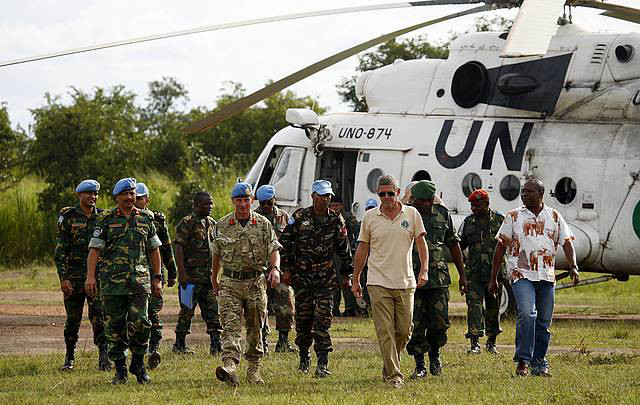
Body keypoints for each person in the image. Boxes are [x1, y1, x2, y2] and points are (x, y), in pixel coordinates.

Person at [489, 179, 579, 377]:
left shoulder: (554, 216)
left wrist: (574, 266)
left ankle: (539, 363)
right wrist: (493, 278)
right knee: (528, 315)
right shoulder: (513, 217)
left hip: (546, 275)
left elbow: (566, 242)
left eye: (529, 191)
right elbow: (500, 247)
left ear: (541, 193)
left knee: (543, 322)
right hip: (521, 274)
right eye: (523, 191)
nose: (524, 194)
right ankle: (523, 361)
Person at [352, 174, 429, 389]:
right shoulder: (370, 217)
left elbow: (422, 245)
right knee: (384, 330)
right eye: (382, 194)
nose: (386, 197)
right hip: (377, 281)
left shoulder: (411, 214)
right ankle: (395, 375)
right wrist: (356, 278)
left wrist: (424, 270)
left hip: (405, 282)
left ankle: (388, 366)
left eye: (390, 193)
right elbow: (362, 248)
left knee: (404, 331)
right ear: (378, 194)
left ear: (397, 192)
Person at [85, 177, 163, 385]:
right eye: (125, 195)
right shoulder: (106, 219)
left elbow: (154, 249)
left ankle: (138, 363)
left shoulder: (146, 218)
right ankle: (120, 370)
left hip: (140, 282)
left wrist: (157, 278)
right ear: (116, 198)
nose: (129, 198)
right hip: (112, 284)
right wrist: (90, 277)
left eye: (132, 194)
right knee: (114, 327)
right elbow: (94, 250)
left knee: (142, 323)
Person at [280, 180, 353, 378]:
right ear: (313, 196)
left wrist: (348, 274)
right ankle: (304, 358)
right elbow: (284, 244)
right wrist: (285, 269)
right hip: (302, 278)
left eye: (328, 195)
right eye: (321, 195)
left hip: (326, 279)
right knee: (303, 320)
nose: (325, 199)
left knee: (323, 320)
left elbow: (343, 249)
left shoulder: (336, 220)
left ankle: (322, 363)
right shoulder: (299, 217)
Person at [212, 182, 281, 386]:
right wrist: (214, 279)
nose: (242, 204)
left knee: (255, 327)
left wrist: (275, 269)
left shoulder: (262, 224)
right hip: (230, 283)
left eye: (246, 200)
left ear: (252, 201)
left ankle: (253, 370)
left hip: (255, 283)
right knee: (230, 326)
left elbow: (273, 249)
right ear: (233, 201)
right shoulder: (223, 224)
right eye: (238, 200)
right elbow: (216, 253)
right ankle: (230, 366)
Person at [406, 180, 468, 378]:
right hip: (412, 277)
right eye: (422, 201)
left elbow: (453, 244)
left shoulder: (442, 214)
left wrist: (463, 275)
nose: (426, 204)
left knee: (439, 322)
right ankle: (419, 364)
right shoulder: (405, 214)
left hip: (438, 278)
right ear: (413, 199)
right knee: (415, 323)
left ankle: (435, 354)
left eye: (429, 200)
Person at [54, 179, 109, 372]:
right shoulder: (68, 216)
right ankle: (69, 357)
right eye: (89, 194)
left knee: (99, 317)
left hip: (96, 277)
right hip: (74, 277)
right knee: (73, 319)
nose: (93, 197)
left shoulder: (103, 217)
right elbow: (60, 252)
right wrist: (64, 279)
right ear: (80, 195)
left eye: (95, 194)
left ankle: (104, 357)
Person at [134, 182, 178, 369]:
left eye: (139, 198)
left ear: (147, 200)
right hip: (131, 275)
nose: (135, 202)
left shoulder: (156, 220)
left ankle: (154, 348)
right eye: (134, 198)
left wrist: (172, 272)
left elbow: (166, 247)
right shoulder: (121, 217)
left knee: (152, 312)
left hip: (153, 275)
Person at [172, 191, 222, 356]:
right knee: (187, 310)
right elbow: (178, 247)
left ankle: (216, 345)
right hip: (190, 278)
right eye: (206, 204)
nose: (210, 207)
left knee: (213, 311)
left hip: (207, 279)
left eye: (211, 203)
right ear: (196, 205)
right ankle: (179, 344)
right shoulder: (187, 223)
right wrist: (182, 272)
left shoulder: (212, 223)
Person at [459, 189, 505, 355]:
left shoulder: (500, 220)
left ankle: (492, 342)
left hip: (495, 274)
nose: (474, 208)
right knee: (474, 307)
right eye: (472, 205)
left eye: (478, 205)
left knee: (493, 308)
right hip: (473, 273)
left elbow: (510, 243)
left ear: (487, 204)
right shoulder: (468, 222)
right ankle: (475, 343)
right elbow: (460, 245)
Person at [254, 185, 297, 354]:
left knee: (285, 303)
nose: (266, 207)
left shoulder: (284, 217)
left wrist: (288, 269)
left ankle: (283, 342)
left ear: (274, 200)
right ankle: (262, 341)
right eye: (263, 203)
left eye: (269, 203)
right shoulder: (253, 218)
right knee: (259, 307)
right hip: (259, 269)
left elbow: (292, 244)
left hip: (280, 268)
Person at [329, 195, 361, 317]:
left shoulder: (347, 217)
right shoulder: (328, 216)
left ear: (341, 206)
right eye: (332, 205)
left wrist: (353, 244)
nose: (334, 208)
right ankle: (334, 308)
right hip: (332, 254)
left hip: (344, 253)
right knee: (334, 282)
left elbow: (357, 228)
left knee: (346, 281)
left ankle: (350, 308)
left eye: (337, 205)